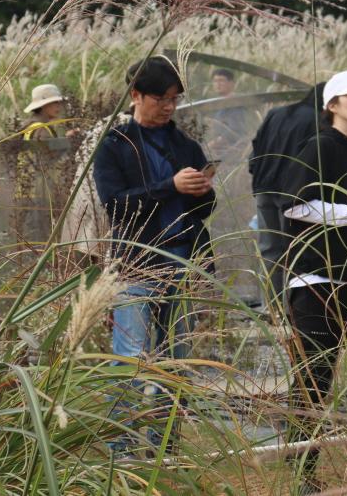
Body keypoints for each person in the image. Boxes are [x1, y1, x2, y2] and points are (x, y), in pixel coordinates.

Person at [93, 56, 216, 454]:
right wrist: (171, 186)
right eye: (161, 99)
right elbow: (117, 205)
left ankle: (166, 448)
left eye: (175, 99)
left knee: (176, 358)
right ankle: (121, 452)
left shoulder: (186, 145)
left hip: (183, 258)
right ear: (135, 95)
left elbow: (201, 210)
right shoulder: (114, 145)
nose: (169, 107)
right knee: (129, 358)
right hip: (137, 261)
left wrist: (203, 192)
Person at [281, 69, 347, 492]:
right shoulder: (318, 147)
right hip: (316, 279)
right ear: (332, 105)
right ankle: (301, 474)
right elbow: (292, 206)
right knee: (315, 378)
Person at [247, 82, 326, 308]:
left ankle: (270, 306)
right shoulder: (316, 121)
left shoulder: (276, 113)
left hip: (263, 188)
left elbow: (255, 147)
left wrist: (257, 171)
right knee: (293, 249)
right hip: (291, 194)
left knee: (270, 249)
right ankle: (291, 308)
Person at [206, 67, 250, 159]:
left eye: (221, 80)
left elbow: (234, 131)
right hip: (221, 153)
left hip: (233, 154)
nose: (217, 84)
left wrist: (211, 145)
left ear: (231, 83)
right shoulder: (220, 105)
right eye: (215, 81)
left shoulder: (235, 103)